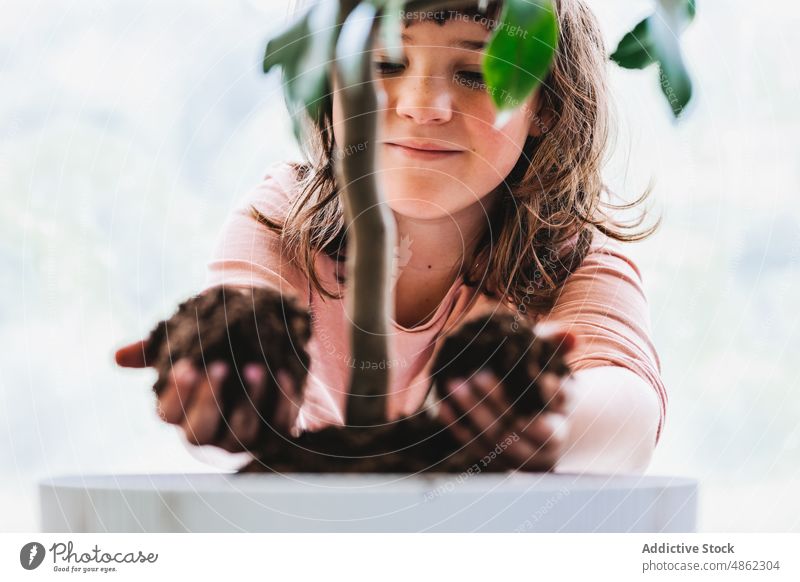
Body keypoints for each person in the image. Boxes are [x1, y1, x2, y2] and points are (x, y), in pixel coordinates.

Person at [115, 0, 666, 474]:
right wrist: (226, 383)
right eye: (386, 63)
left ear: (545, 104)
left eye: (474, 73)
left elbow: (627, 414)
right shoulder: (281, 222)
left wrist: (546, 415)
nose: (422, 105)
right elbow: (238, 349)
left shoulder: (574, 258)